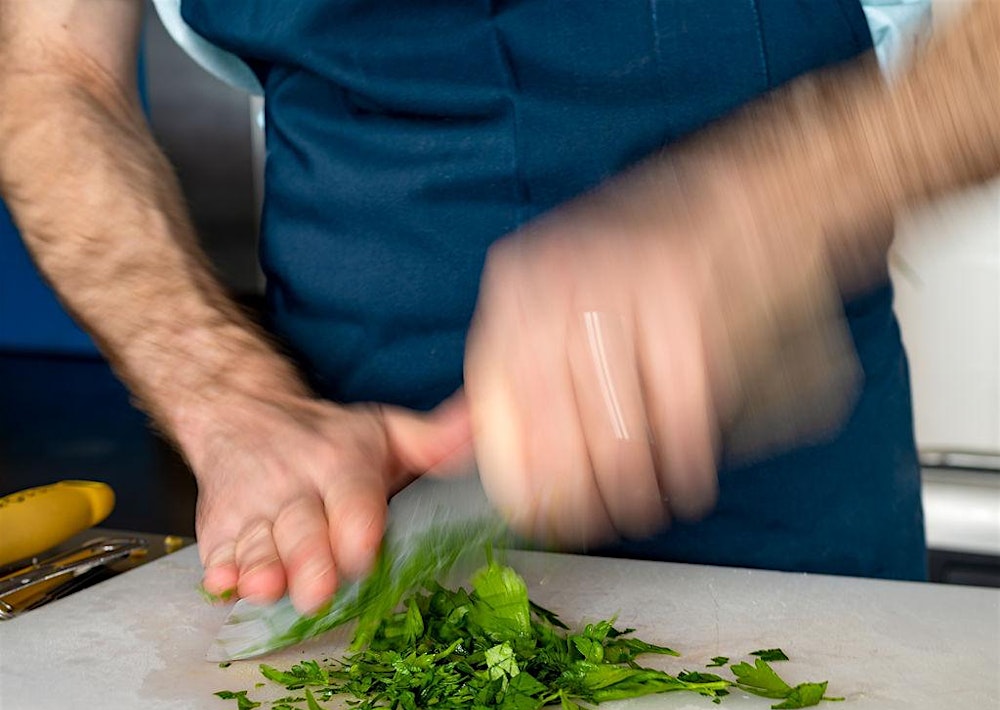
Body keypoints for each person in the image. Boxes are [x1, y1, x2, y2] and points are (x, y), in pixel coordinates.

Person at [1, 1, 997, 615]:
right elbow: (51, 71)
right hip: (357, 514)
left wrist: (786, 195)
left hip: (781, 494)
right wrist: (231, 400)